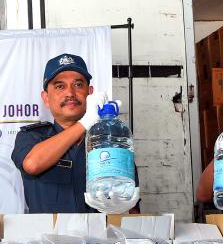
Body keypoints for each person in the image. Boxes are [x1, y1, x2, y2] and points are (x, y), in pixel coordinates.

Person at [12, 53, 139, 213]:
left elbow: (133, 209)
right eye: (60, 86)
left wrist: (123, 209)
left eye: (78, 85)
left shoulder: (110, 141)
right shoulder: (32, 137)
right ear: (45, 98)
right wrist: (85, 123)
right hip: (50, 237)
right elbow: (32, 164)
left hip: (103, 237)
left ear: (90, 93)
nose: (70, 93)